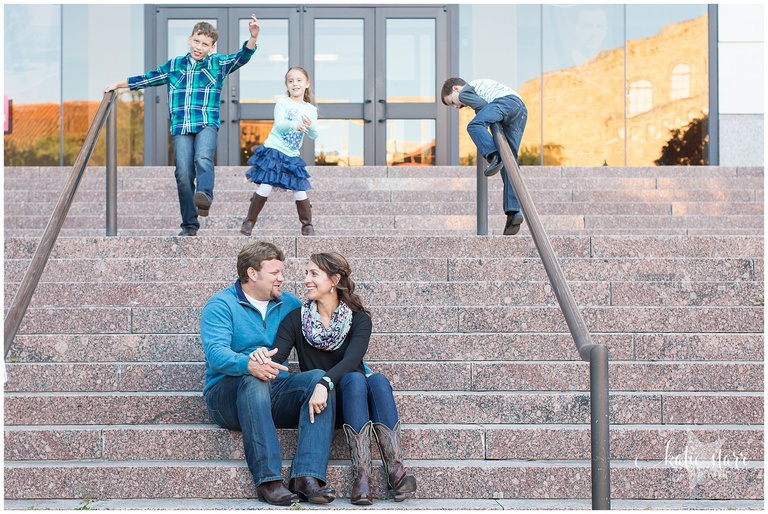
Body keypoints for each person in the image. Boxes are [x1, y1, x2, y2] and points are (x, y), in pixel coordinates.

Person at [251, 252, 417, 505]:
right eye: (306, 273)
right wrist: (258, 358)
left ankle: (390, 472)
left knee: (375, 381)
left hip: (355, 404)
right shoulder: (296, 319)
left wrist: (323, 382)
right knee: (357, 380)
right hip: (324, 408)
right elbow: (277, 356)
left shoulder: (360, 320)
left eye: (313, 274)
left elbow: (352, 360)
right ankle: (365, 475)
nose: (306, 279)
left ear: (334, 280)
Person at [200, 241, 337, 506]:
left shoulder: (290, 304)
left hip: (275, 391)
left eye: (281, 272)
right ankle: (268, 481)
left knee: (320, 379)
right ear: (252, 273)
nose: (281, 278)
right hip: (227, 397)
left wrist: (362, 371)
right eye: (274, 273)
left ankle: (306, 476)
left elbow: (328, 340)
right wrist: (248, 364)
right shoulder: (221, 305)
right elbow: (216, 353)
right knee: (255, 379)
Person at [105, 16, 261, 237]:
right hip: (181, 126)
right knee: (183, 173)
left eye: (205, 44)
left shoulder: (217, 64)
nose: (199, 47)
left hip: (206, 122)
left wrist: (253, 37)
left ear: (212, 47)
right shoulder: (174, 65)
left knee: (203, 158)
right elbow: (147, 79)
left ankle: (204, 196)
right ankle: (189, 224)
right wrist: (118, 85)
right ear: (190, 39)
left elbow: (241, 57)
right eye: (196, 41)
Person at [441, 77, 528, 236]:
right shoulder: (481, 88)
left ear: (456, 89)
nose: (457, 106)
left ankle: (494, 156)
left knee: (475, 125)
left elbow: (482, 107)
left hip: (505, 102)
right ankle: (513, 213)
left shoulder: (465, 91)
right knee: (510, 160)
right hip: (520, 109)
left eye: (452, 102)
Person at [240, 66, 318, 237]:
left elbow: (314, 134)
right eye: (291, 81)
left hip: (292, 156)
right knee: (266, 185)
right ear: (287, 85)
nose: (295, 84)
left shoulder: (311, 110)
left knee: (299, 190)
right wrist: (295, 124)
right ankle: (249, 221)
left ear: (307, 83)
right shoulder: (283, 103)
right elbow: (280, 125)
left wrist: (310, 125)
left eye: (299, 80)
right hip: (274, 151)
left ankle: (307, 225)